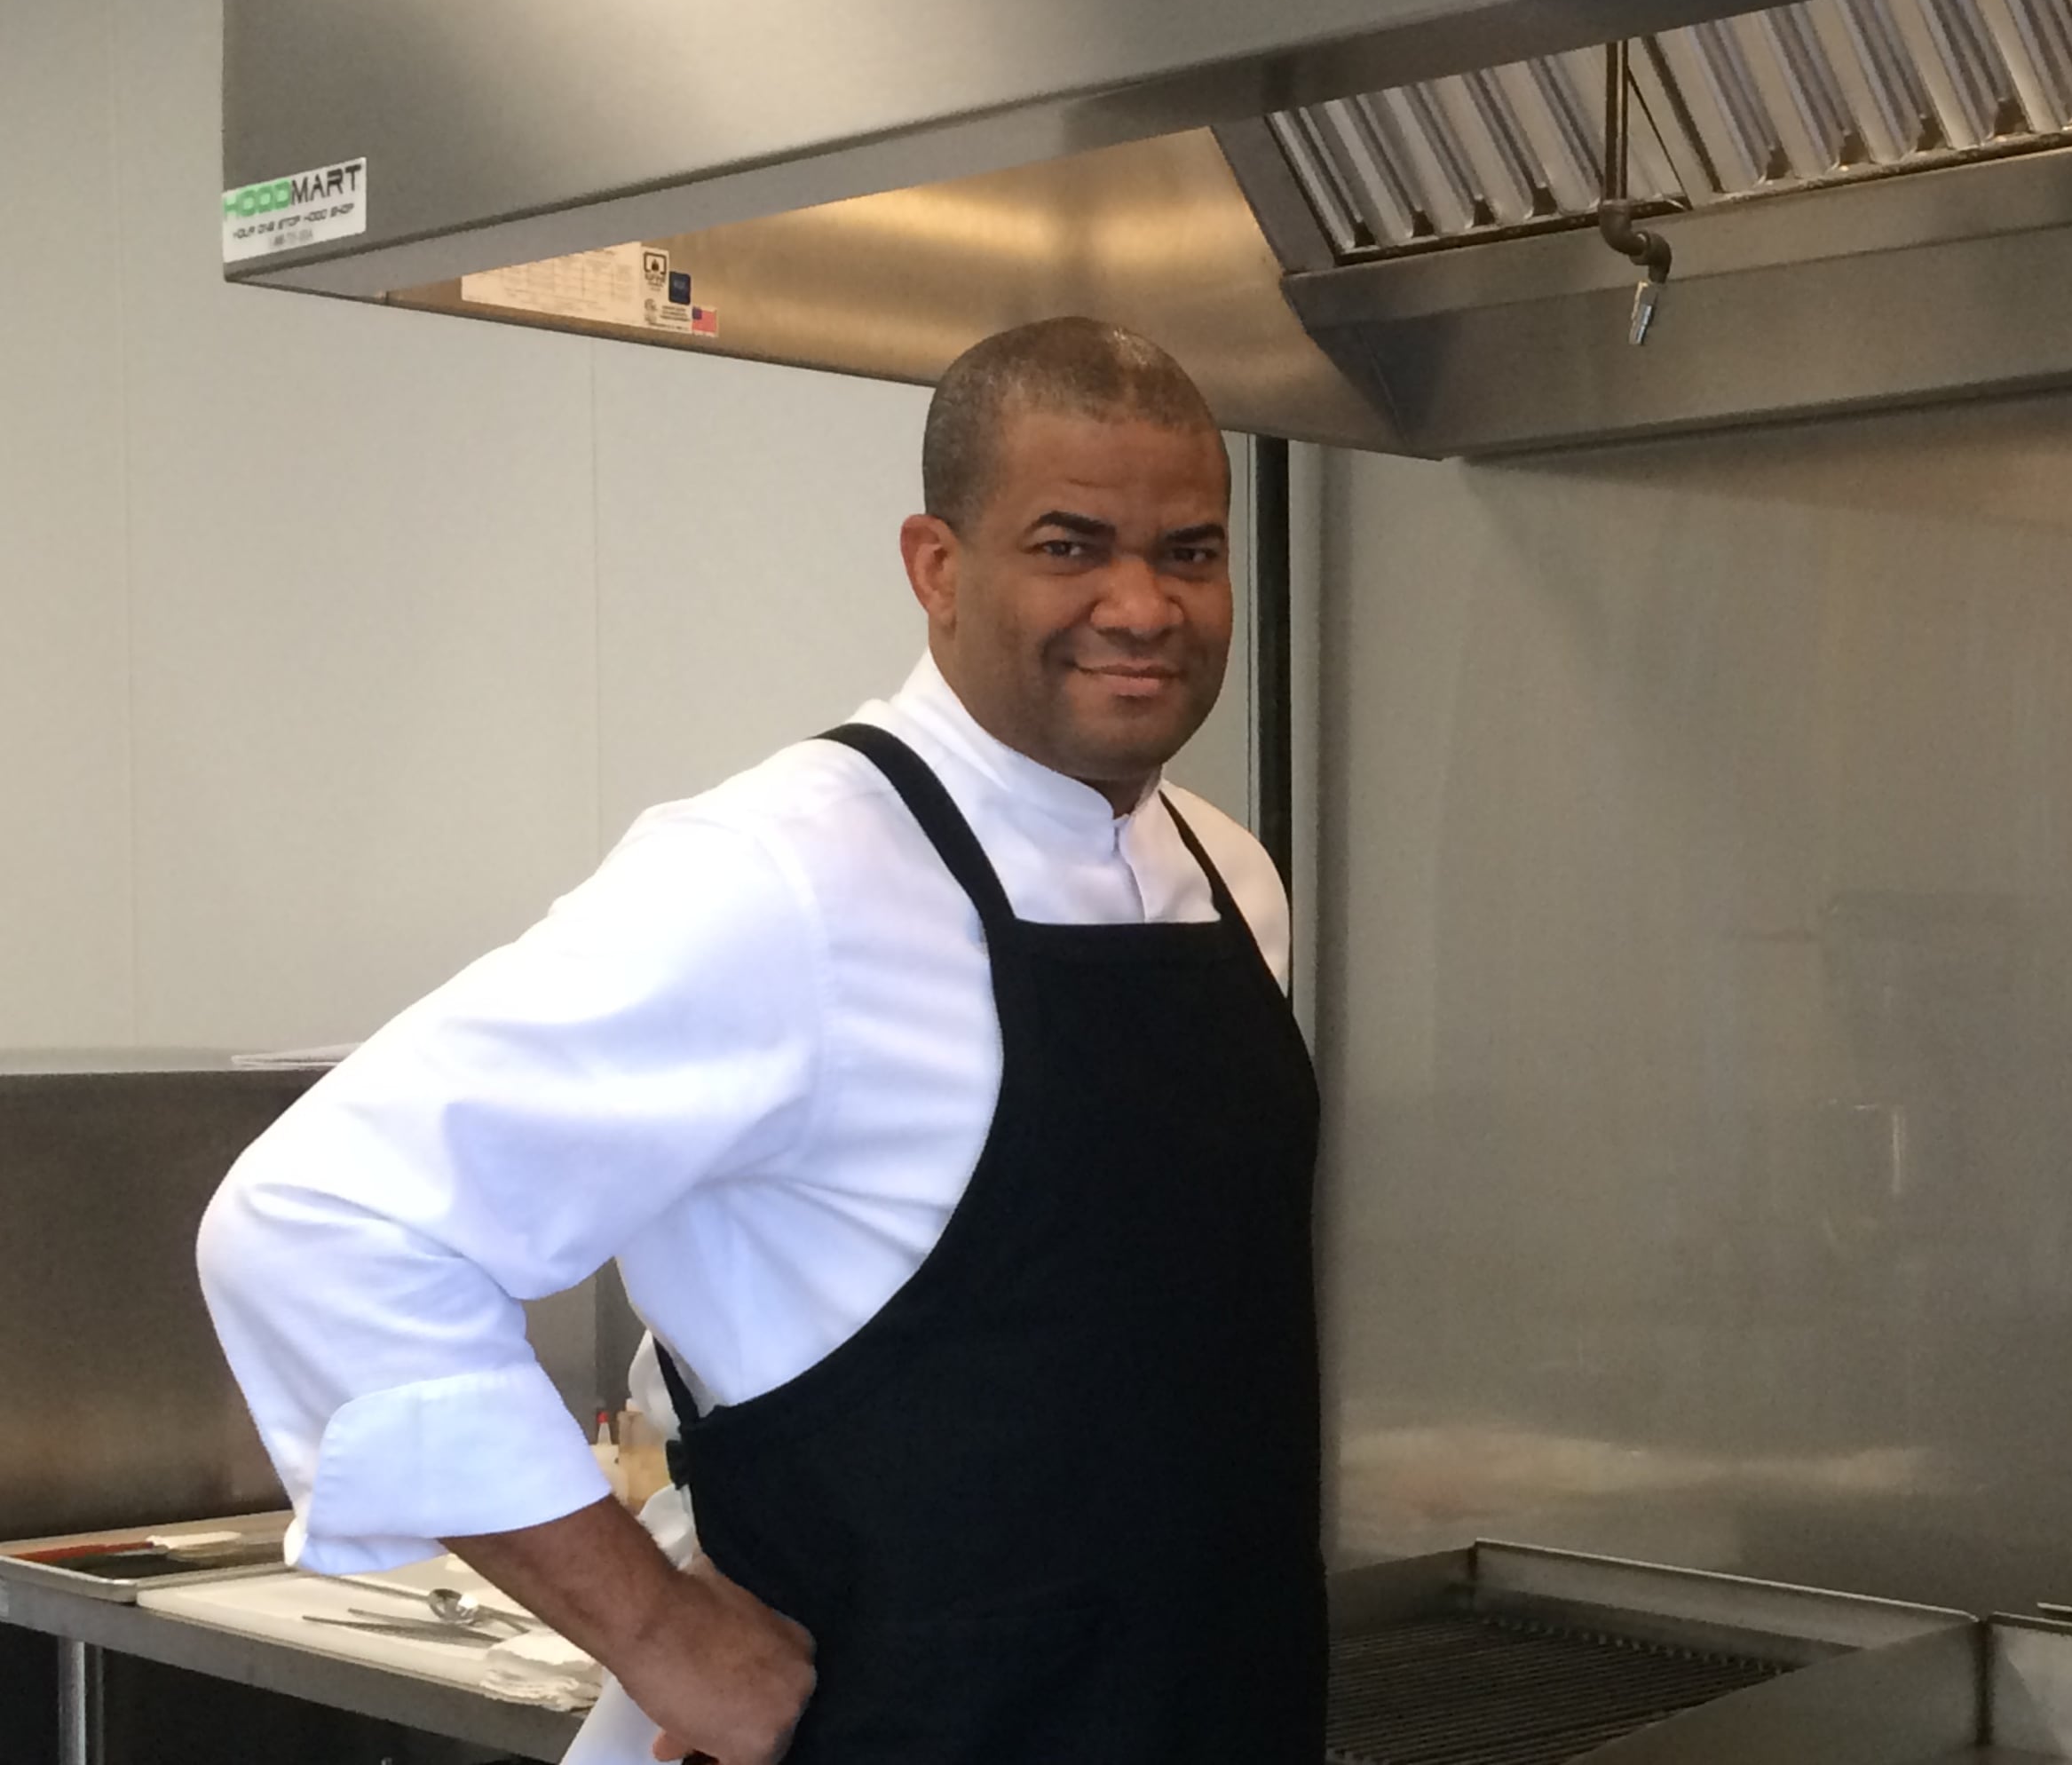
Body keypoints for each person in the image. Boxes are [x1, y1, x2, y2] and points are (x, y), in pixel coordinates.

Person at [196, 318, 1316, 1764]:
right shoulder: (780, 879)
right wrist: (652, 1625)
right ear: (935, 564)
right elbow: (313, 1225)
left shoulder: (1231, 883)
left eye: (1188, 552)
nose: (1141, 604)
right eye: (1068, 544)